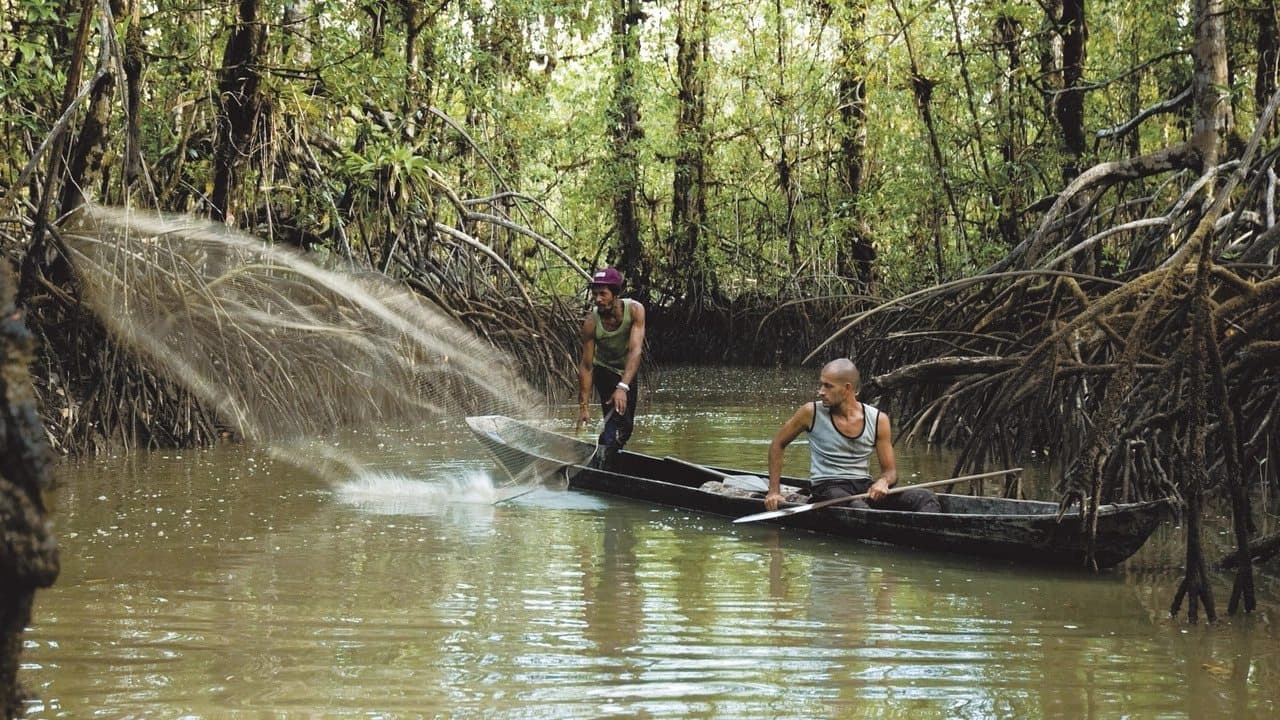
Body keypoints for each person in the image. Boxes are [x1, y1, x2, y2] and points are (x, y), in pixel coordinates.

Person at [763, 358, 940, 513]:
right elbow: (778, 444)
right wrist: (774, 492)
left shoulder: (878, 419)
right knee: (857, 508)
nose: (821, 391)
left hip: (863, 487)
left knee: (925, 497)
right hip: (828, 489)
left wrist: (883, 482)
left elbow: (890, 471)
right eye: (821, 384)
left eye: (828, 386)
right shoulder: (811, 412)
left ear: (847, 388)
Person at [576, 267, 646, 467]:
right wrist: (584, 406)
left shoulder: (635, 310)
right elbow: (587, 366)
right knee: (614, 425)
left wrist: (623, 387)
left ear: (616, 294)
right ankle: (602, 462)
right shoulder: (591, 322)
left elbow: (635, 352)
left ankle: (602, 458)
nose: (598, 299)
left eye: (603, 294)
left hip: (627, 371)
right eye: (595, 294)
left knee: (626, 428)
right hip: (604, 371)